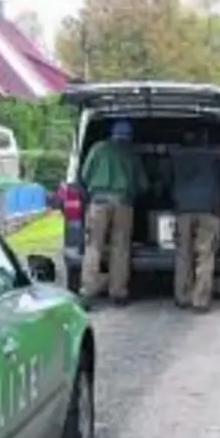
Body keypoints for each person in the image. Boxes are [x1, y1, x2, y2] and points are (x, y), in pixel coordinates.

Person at [78, 119, 147, 307]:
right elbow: (143, 185)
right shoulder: (131, 153)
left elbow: (84, 176)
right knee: (121, 247)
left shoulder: (97, 149)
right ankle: (118, 293)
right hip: (124, 204)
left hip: (98, 203)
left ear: (112, 134)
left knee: (94, 247)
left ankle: (87, 292)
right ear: (129, 137)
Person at [169, 130, 220, 313]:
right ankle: (200, 301)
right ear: (204, 140)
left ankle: (182, 297)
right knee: (205, 255)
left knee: (183, 254)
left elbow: (168, 182)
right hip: (209, 210)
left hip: (183, 210)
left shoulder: (177, 158)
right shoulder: (216, 157)